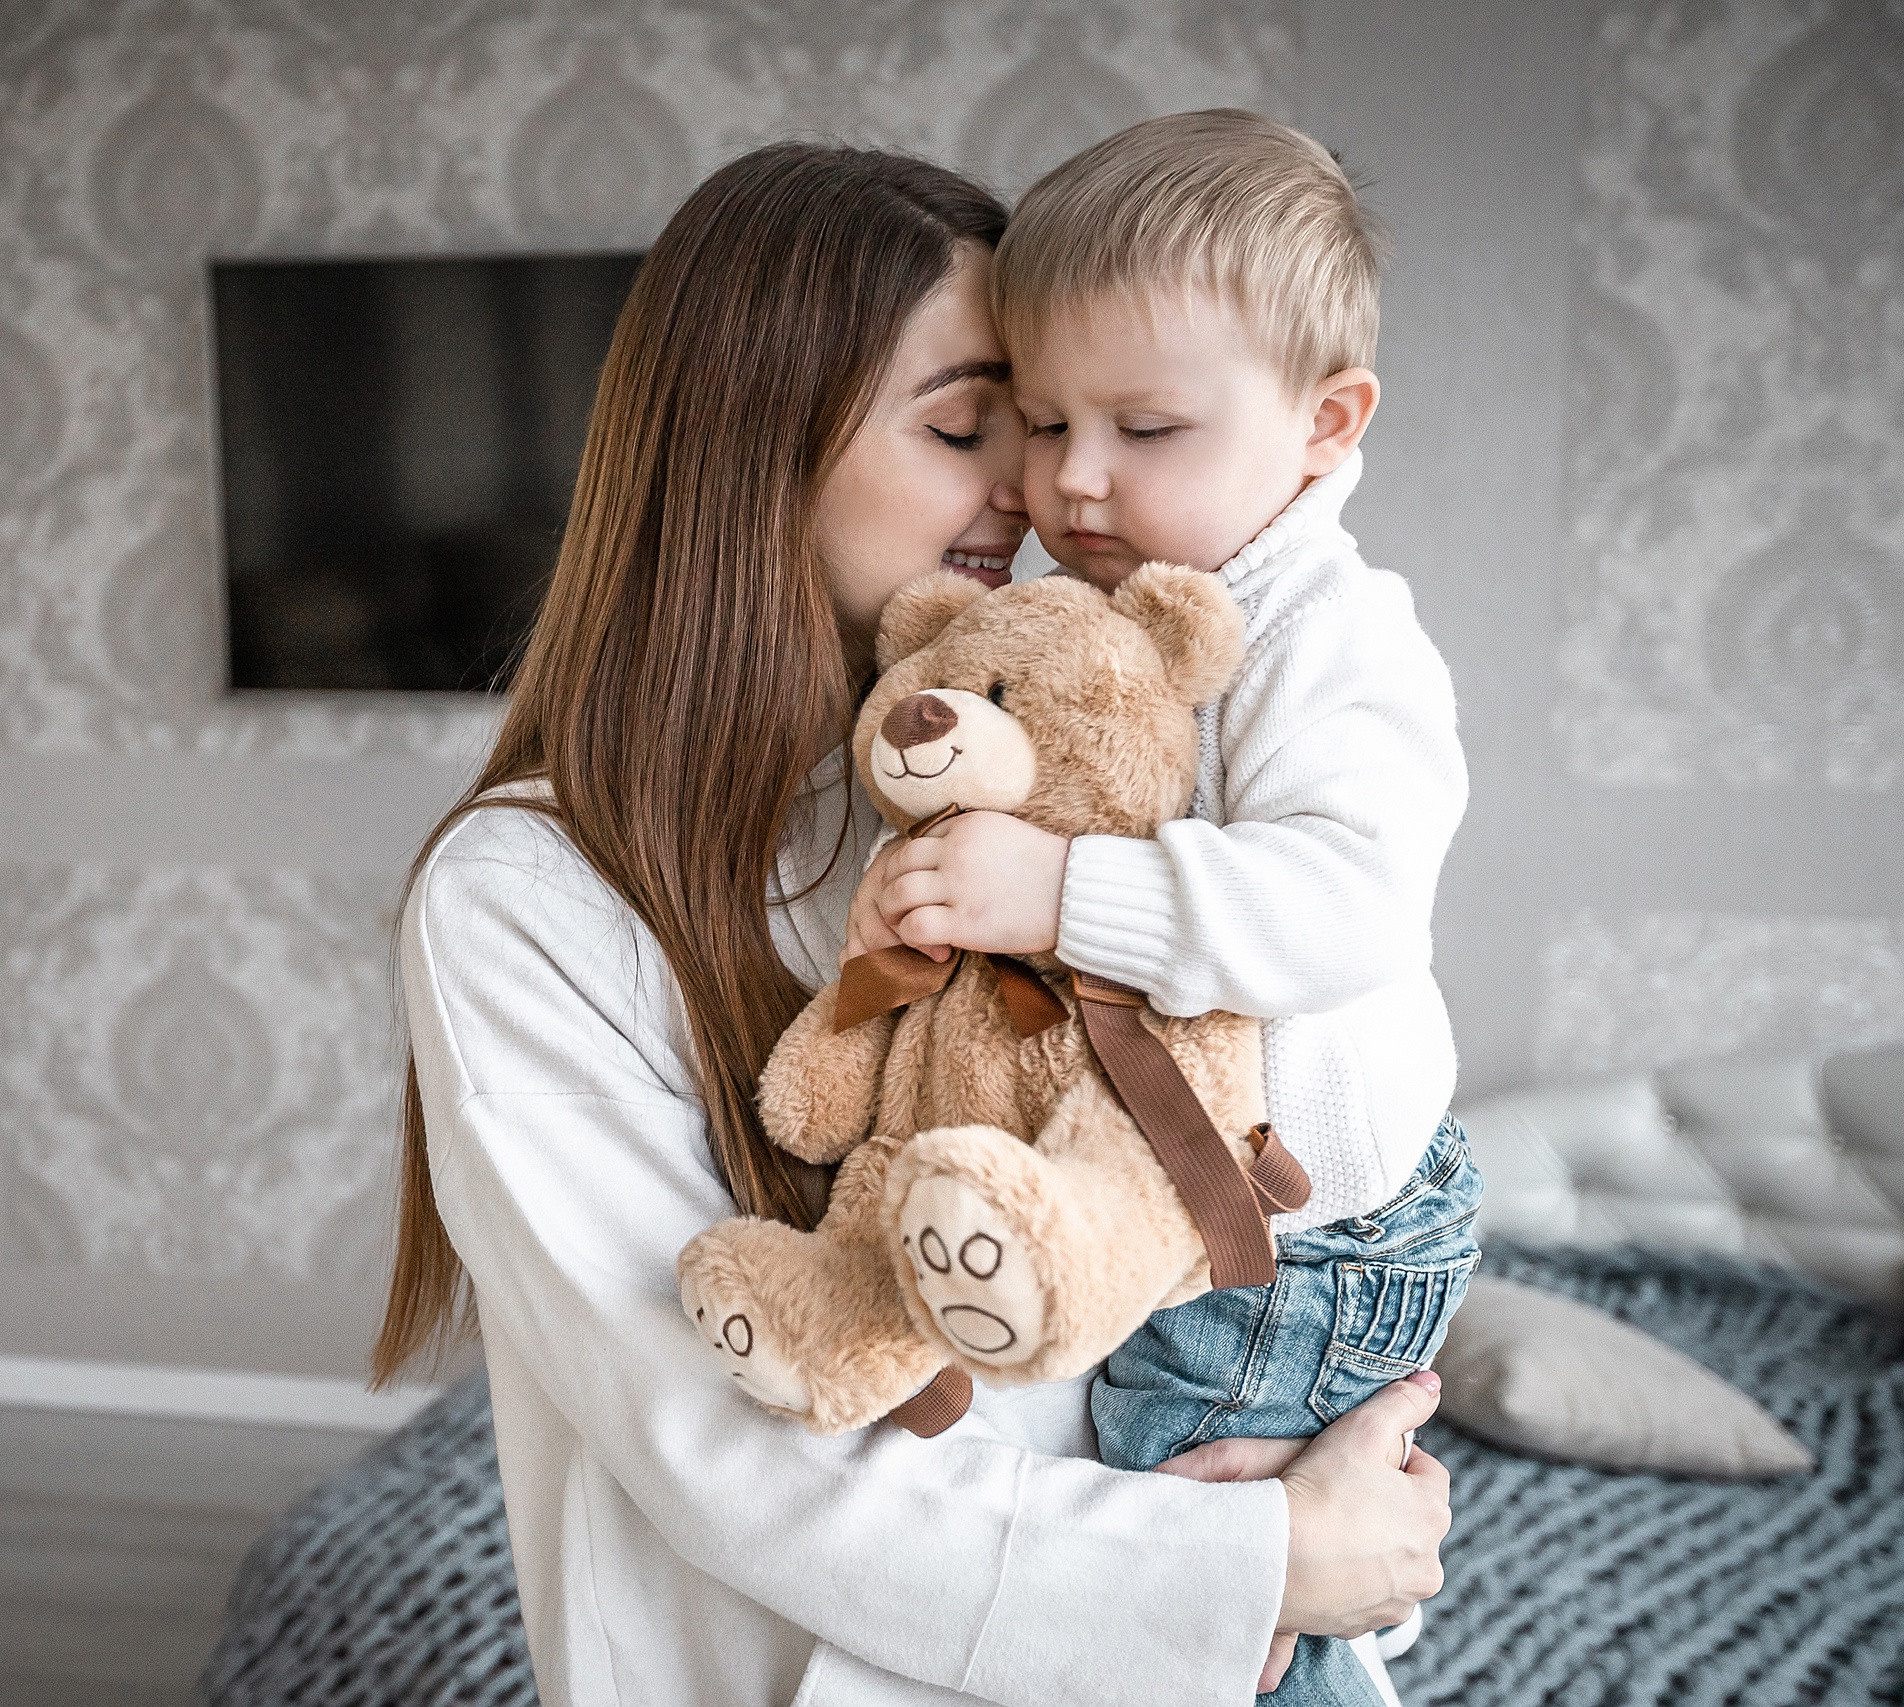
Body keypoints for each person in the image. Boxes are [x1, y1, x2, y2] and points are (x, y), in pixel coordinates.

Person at [375, 142, 1450, 1707]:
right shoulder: (527, 898)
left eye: (1057, 419)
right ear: (758, 449)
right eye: (972, 426)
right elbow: (727, 1453)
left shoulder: (1019, 796)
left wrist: (1326, 1521)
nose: (1045, 484)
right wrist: (1265, 1566)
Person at [849, 112, 1478, 1704]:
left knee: (1204, 1566)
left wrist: (1061, 892)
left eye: (1146, 429)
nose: (1069, 478)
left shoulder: (1336, 640)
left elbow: (1347, 904)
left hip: (1308, 1227)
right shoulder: (1088, 609)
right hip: (1193, 1191)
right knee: (1165, 1552)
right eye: (1043, 418)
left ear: (1327, 425)